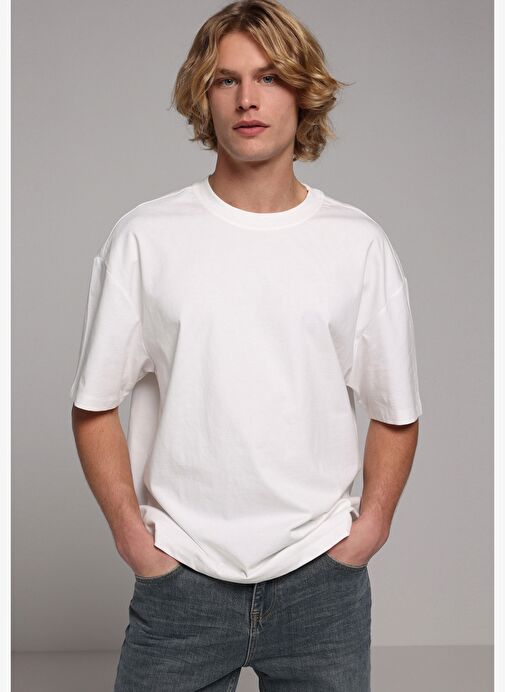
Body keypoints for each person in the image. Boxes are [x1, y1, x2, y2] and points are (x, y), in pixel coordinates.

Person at [69, 1, 422, 689]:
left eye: (269, 77)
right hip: (180, 581)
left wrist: (369, 529)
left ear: (303, 91)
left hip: (321, 581)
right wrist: (133, 539)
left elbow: (396, 410)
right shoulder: (146, 238)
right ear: (203, 96)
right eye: (225, 79)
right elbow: (93, 405)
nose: (247, 99)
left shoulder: (358, 245)